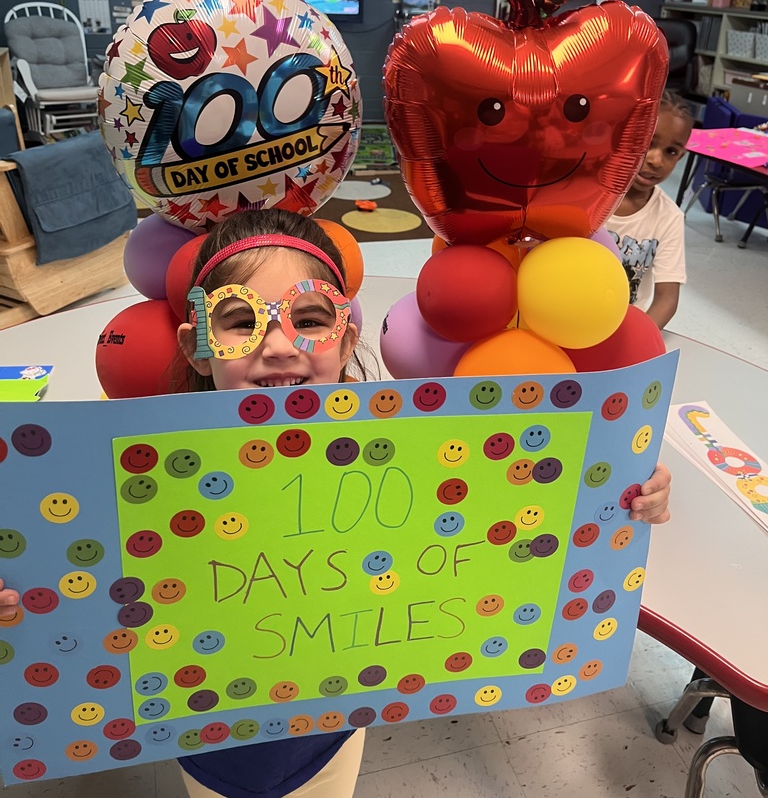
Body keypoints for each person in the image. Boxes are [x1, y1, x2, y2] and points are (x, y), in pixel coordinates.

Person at [0, 206, 672, 797]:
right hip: (206, 738)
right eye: (239, 322)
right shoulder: (146, 471)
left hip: (335, 725)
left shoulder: (401, 453)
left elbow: (526, 508)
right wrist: (19, 588)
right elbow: (65, 552)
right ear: (197, 348)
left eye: (310, 318)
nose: (279, 345)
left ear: (346, 339)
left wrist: (626, 493)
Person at [604, 90, 693, 330]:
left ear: (681, 157)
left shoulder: (669, 218)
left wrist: (640, 340)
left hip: (622, 328)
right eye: (647, 142)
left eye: (671, 152)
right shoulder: (589, 196)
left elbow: (667, 298)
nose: (656, 160)